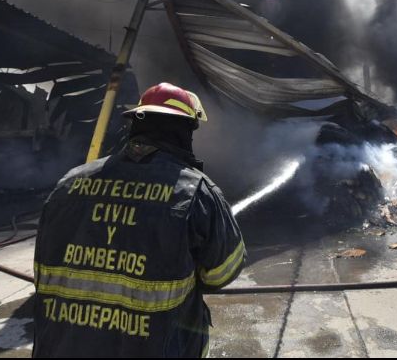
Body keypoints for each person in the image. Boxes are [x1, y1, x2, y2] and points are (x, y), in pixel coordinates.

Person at [32, 82, 245, 358]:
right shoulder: (196, 192)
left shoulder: (68, 184)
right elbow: (222, 272)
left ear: (135, 125)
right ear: (183, 130)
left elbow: (43, 265)